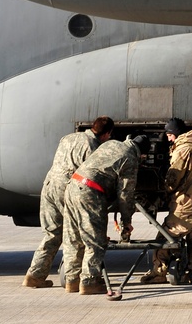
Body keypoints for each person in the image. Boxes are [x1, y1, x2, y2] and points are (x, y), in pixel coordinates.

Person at [22, 116, 115, 289]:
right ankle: (74, 278)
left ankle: (35, 275)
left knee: (52, 233)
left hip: (49, 186)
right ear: (107, 134)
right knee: (76, 234)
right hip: (66, 189)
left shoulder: (68, 137)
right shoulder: (94, 148)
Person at [62, 134, 150, 295]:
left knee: (73, 237)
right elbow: (125, 195)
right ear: (142, 154)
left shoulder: (111, 143)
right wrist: (126, 221)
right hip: (89, 191)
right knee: (95, 240)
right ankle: (89, 282)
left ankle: (72, 280)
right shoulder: (130, 158)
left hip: (72, 185)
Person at [140, 118, 192, 284]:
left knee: (166, 236)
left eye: (169, 135)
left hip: (190, 203)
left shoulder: (183, 149)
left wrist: (165, 189)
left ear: (175, 133)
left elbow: (173, 179)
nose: (168, 139)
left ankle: (158, 272)